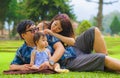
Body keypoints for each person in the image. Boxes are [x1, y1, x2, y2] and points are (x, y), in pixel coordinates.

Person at [42, 13, 120, 72]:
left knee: (94, 30)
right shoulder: (43, 28)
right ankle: (107, 63)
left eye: (59, 28)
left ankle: (109, 65)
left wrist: (53, 33)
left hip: (73, 49)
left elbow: (73, 42)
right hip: (68, 60)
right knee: (101, 58)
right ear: (53, 20)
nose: (55, 28)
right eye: (55, 24)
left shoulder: (54, 33)